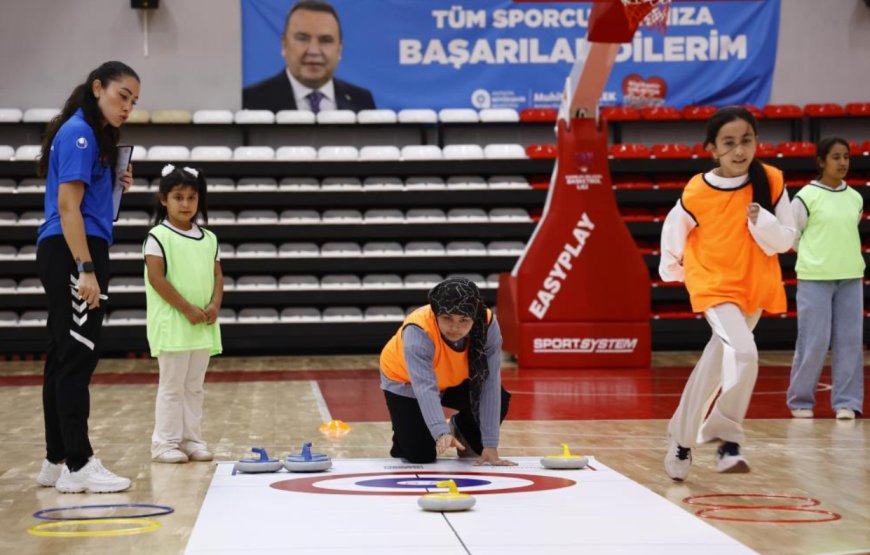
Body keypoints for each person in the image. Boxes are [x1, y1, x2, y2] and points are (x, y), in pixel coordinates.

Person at [658, 106, 798, 481]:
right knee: (744, 352)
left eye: (746, 141)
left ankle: (681, 437)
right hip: (713, 286)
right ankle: (727, 439)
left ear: (756, 141)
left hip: (753, 286)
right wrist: (678, 273)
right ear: (712, 149)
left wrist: (762, 221)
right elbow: (673, 235)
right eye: (729, 143)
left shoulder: (770, 180)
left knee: (715, 367)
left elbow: (787, 240)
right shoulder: (697, 190)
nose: (739, 151)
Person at [34, 61, 139, 493]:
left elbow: (84, 202)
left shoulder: (91, 138)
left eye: (134, 101)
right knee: (77, 357)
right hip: (74, 250)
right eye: (122, 96)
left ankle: (55, 460)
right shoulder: (80, 134)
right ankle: (79, 463)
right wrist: (86, 268)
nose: (127, 107)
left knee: (62, 356)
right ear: (97, 88)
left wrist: (113, 184)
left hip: (67, 248)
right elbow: (67, 208)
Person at [379, 277, 514, 465]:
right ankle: (404, 434)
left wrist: (490, 444)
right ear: (435, 314)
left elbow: (489, 383)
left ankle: (461, 427)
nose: (455, 327)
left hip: (453, 379)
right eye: (447, 318)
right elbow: (425, 387)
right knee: (420, 455)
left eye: (464, 320)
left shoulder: (488, 324)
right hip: (406, 381)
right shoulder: (418, 330)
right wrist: (441, 431)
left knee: (496, 405)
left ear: (474, 317)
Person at [144, 164, 223, 463]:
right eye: (179, 197)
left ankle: (192, 439)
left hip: (201, 324)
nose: (186, 204)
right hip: (174, 324)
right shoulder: (158, 235)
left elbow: (217, 276)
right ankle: (164, 443)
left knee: (194, 387)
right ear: (164, 199)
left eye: (192, 197)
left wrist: (214, 304)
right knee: (172, 386)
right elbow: (157, 278)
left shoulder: (209, 238)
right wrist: (187, 308)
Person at [787, 137, 864, 421]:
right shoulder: (805, 197)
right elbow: (794, 237)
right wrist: (815, 258)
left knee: (850, 341)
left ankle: (847, 402)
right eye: (836, 157)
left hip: (850, 278)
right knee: (814, 341)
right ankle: (801, 400)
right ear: (821, 161)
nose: (843, 162)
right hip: (814, 278)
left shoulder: (855, 197)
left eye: (846, 156)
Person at [242, 0, 376, 112]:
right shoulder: (250, 101)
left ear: (339, 50)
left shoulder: (362, 101)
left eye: (325, 40)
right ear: (284, 45)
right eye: (303, 38)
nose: (313, 50)